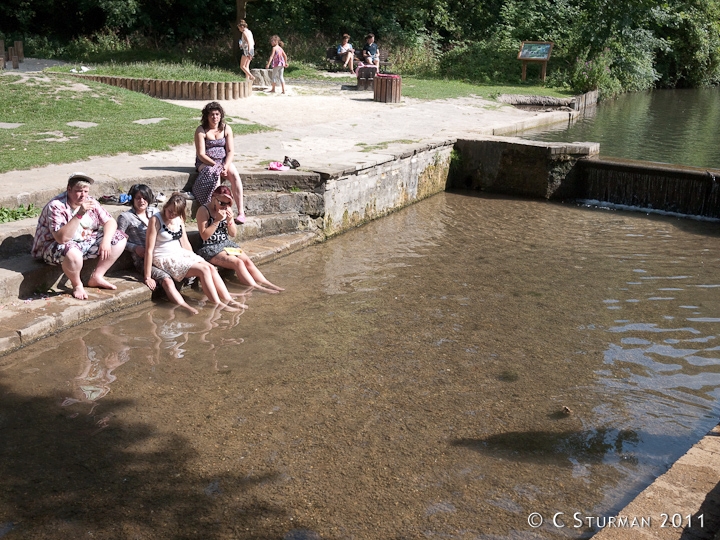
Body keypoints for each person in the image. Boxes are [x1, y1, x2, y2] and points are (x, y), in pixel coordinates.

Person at [31, 172, 128, 300]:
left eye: (86, 191)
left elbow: (110, 222)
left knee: (119, 238)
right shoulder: (56, 206)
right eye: (78, 191)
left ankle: (97, 276)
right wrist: (79, 213)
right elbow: (62, 239)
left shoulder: (91, 201)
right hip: (53, 247)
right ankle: (77, 284)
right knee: (72, 252)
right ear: (69, 189)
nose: (83, 195)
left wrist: (106, 241)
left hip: (83, 241)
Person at [144, 192, 246, 311]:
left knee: (210, 267)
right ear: (166, 206)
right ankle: (218, 304)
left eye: (175, 213)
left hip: (179, 253)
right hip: (163, 257)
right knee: (203, 270)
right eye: (170, 211)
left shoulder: (179, 219)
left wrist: (194, 259)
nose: (172, 215)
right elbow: (149, 249)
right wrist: (147, 276)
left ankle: (228, 299)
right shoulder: (155, 220)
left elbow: (185, 243)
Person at [117, 184, 199, 314]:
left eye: (144, 198)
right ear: (132, 199)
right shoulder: (125, 217)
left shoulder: (155, 212)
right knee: (167, 280)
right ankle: (185, 307)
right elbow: (117, 239)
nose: (141, 201)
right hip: (143, 259)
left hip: (163, 256)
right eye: (138, 198)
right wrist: (134, 247)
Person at [196, 186, 284, 294]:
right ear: (214, 198)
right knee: (237, 262)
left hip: (225, 244)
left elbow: (233, 233)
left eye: (227, 204)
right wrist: (217, 220)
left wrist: (229, 220)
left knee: (247, 261)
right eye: (221, 203)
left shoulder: (226, 209)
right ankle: (256, 287)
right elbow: (204, 236)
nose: (224, 206)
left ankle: (267, 283)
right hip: (209, 247)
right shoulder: (203, 210)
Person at [194, 101, 246, 224]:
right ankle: (217, 213)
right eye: (212, 114)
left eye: (217, 114)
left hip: (223, 161)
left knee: (234, 175)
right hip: (206, 162)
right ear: (206, 116)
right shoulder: (201, 130)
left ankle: (241, 212)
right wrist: (215, 165)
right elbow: (201, 154)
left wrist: (226, 166)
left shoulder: (226, 128)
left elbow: (230, 151)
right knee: (215, 177)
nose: (215, 117)